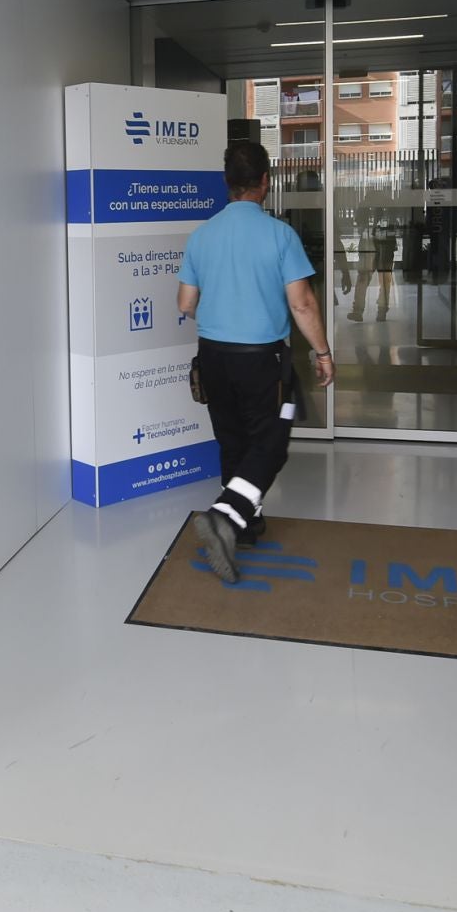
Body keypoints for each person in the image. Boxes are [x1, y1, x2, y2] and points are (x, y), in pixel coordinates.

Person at [177, 140, 334, 584]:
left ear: (227, 184)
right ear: (266, 182)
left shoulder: (202, 235)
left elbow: (186, 303)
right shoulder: (279, 235)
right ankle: (226, 517)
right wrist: (322, 353)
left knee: (232, 439)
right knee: (271, 443)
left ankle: (246, 525)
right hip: (261, 360)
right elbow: (302, 304)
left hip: (212, 357)